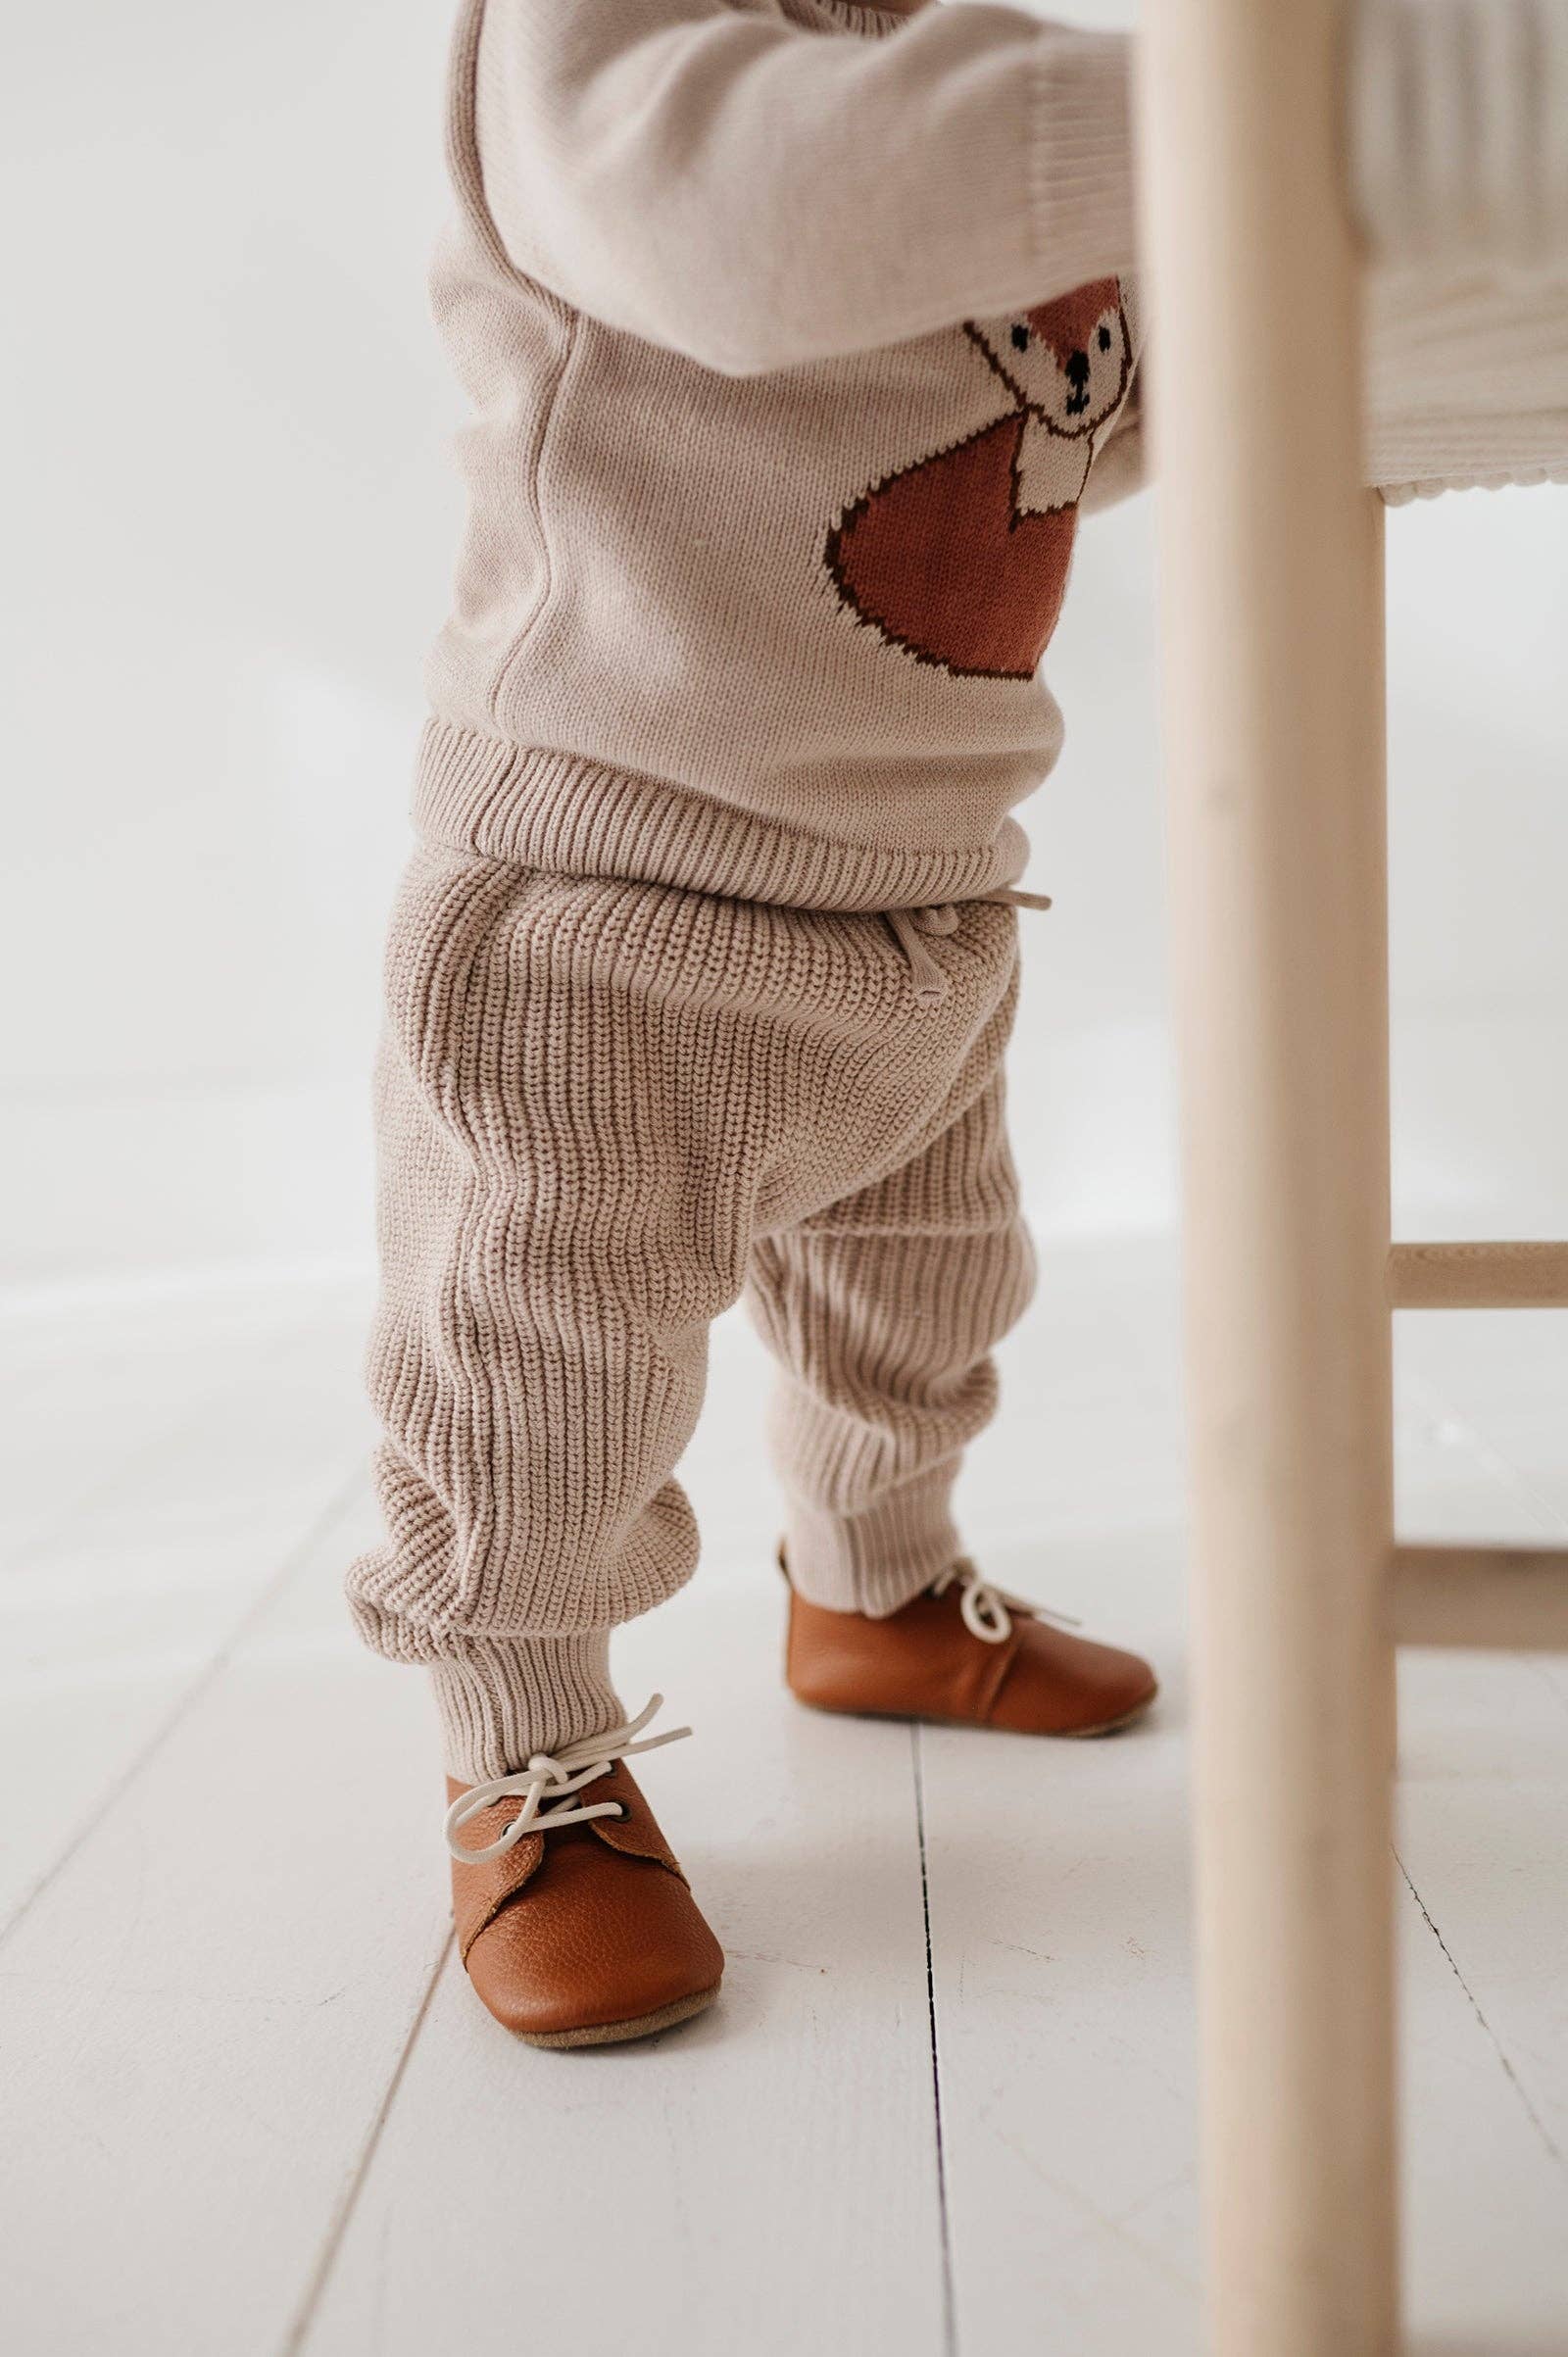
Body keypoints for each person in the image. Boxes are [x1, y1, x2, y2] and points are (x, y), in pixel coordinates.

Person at [348, 0, 1568, 2047]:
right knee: (541, 1371)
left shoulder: (953, 66)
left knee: (923, 1292)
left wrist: (1346, 281)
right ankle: (524, 1746)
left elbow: (1100, 402)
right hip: (611, 897)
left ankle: (876, 1584)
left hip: (919, 885)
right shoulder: (599, 52)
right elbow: (746, 219)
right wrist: (1238, 101)